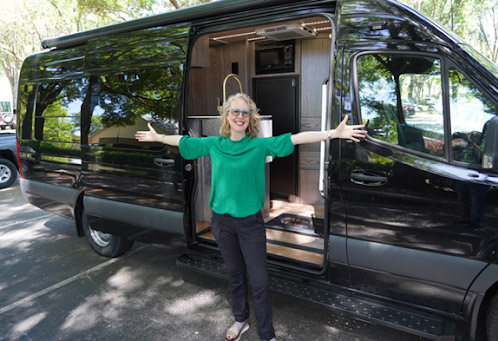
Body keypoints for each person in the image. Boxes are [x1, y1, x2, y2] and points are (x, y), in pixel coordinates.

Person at [135, 93, 367, 341]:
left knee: (259, 281)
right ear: (226, 115)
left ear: (250, 118)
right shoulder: (214, 144)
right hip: (222, 222)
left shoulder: (259, 145)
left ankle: (267, 335)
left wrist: (332, 133)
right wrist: (158, 137)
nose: (240, 116)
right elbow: (182, 140)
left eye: (245, 113)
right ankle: (241, 320)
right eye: (235, 111)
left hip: (250, 225)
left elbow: (296, 138)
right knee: (235, 275)